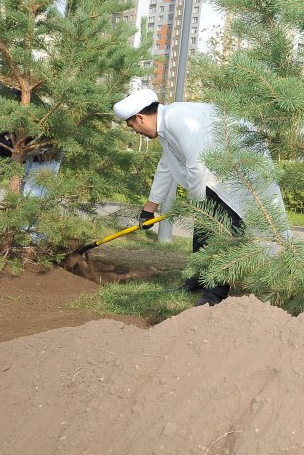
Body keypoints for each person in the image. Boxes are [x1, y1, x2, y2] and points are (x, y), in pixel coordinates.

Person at [113, 88, 287, 307]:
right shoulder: (166, 128)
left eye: (132, 126)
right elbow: (167, 166)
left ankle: (213, 294)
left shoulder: (178, 118)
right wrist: (149, 207)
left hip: (239, 172)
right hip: (216, 176)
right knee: (203, 230)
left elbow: (197, 165)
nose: (135, 131)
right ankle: (197, 278)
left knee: (220, 232)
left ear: (139, 118)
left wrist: (198, 204)